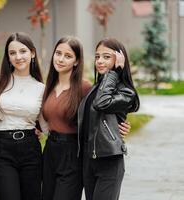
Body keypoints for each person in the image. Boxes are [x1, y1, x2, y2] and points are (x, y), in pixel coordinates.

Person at [41, 36, 132, 200]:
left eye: (68, 56)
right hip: (53, 151)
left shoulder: (85, 88)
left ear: (77, 61)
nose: (61, 59)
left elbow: (103, 107)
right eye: (97, 56)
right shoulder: (49, 85)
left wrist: (119, 126)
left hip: (76, 152)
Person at [78, 37, 140, 200]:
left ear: (119, 60)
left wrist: (114, 73)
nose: (99, 61)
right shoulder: (96, 89)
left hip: (109, 160)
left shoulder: (126, 92)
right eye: (97, 56)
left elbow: (102, 103)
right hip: (89, 160)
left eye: (106, 57)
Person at [0, 32, 48, 200]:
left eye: (23, 51)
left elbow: (46, 125)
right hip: (1, 149)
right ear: (7, 57)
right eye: (12, 53)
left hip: (30, 148)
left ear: (32, 53)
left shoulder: (41, 88)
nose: (18, 56)